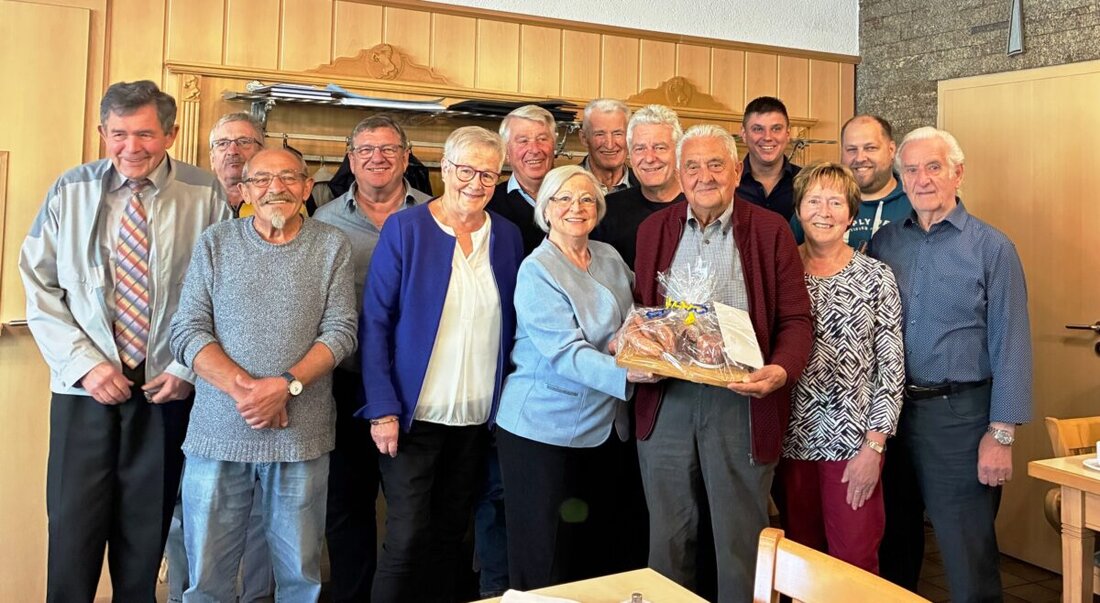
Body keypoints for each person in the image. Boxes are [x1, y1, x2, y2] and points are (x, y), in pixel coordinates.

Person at [18, 80, 229, 602]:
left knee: (143, 542)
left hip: (165, 390)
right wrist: (86, 366)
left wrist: (186, 370)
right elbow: (38, 285)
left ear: (171, 134)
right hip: (83, 388)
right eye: (118, 134)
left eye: (145, 135)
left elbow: (225, 293)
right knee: (72, 534)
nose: (131, 148)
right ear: (101, 132)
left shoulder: (206, 195)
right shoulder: (71, 190)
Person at [633, 124, 813, 603]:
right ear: (679, 173)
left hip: (743, 402)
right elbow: (644, 312)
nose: (704, 176)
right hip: (667, 399)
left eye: (716, 164)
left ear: (737, 171)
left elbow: (796, 320)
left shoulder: (770, 230)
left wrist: (780, 371)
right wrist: (636, 353)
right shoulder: (654, 230)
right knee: (668, 537)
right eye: (692, 166)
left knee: (741, 541)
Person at [169, 148, 356, 601]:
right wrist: (250, 393)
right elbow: (187, 330)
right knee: (207, 578)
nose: (277, 188)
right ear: (246, 190)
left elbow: (342, 332)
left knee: (299, 579)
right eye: (264, 179)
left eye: (290, 177)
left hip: (300, 437)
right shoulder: (216, 242)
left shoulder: (332, 245)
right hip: (218, 433)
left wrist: (285, 386)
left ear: (308, 188)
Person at [359, 126, 523, 603]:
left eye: (488, 175)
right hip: (412, 417)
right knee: (407, 536)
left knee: (453, 536)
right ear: (444, 170)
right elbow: (375, 322)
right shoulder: (405, 229)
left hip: (475, 420)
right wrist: (382, 408)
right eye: (465, 170)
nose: (475, 183)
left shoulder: (508, 237)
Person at [870, 126, 1033, 602]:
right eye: (911, 170)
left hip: (961, 418)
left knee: (967, 555)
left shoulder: (993, 248)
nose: (921, 180)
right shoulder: (885, 244)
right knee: (895, 546)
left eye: (933, 167)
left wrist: (1001, 435)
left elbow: (1013, 345)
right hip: (894, 416)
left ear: (958, 173)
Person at [495, 165, 655, 589]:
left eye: (586, 198)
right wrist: (628, 370)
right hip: (543, 431)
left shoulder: (608, 256)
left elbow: (639, 316)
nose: (575, 207)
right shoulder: (537, 269)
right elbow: (565, 353)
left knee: (595, 553)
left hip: (606, 431)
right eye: (563, 198)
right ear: (545, 209)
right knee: (547, 559)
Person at [313, 115, 431, 602]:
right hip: (343, 380)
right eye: (365, 150)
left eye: (388, 149)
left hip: (415, 384)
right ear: (350, 157)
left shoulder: (436, 214)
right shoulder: (323, 220)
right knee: (346, 504)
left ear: (406, 157)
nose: (376, 158)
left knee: (412, 507)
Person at [165, 110, 274, 603]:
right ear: (209, 155)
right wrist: (184, 368)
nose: (233, 152)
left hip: (261, 392)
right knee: (189, 505)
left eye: (246, 142)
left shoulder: (287, 212)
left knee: (256, 511)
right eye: (223, 144)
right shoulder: (184, 208)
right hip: (182, 382)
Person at [779, 161, 904, 574]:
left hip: (853, 445)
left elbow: (891, 372)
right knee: (801, 563)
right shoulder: (780, 273)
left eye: (836, 202)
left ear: (852, 214)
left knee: (853, 562)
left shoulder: (876, 277)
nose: (824, 211)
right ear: (798, 210)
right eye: (814, 200)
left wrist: (875, 447)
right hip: (789, 442)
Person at [790, 115, 912, 251]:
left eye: (870, 148)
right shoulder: (815, 206)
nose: (860, 158)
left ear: (891, 150)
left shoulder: (915, 202)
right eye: (851, 150)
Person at [592, 104, 685, 268]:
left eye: (659, 147)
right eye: (640, 148)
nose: (649, 158)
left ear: (679, 152)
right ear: (630, 155)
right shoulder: (607, 209)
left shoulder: (701, 207)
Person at [487, 104, 557, 256]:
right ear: (506, 152)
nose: (534, 149)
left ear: (554, 145)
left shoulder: (577, 199)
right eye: (523, 141)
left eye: (542, 139)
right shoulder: (489, 204)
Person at [736, 96, 802, 221]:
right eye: (758, 129)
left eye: (776, 129)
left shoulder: (807, 182)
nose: (767, 137)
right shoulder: (726, 183)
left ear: (787, 134)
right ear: (744, 135)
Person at [208, 112, 265, 216]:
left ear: (261, 153)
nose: (232, 151)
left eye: (243, 142)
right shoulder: (196, 202)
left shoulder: (277, 200)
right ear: (212, 158)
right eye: (222, 143)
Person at [577, 98, 636, 193]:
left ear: (630, 137)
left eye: (618, 133)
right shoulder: (563, 184)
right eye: (600, 134)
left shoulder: (646, 186)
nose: (610, 145)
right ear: (584, 138)